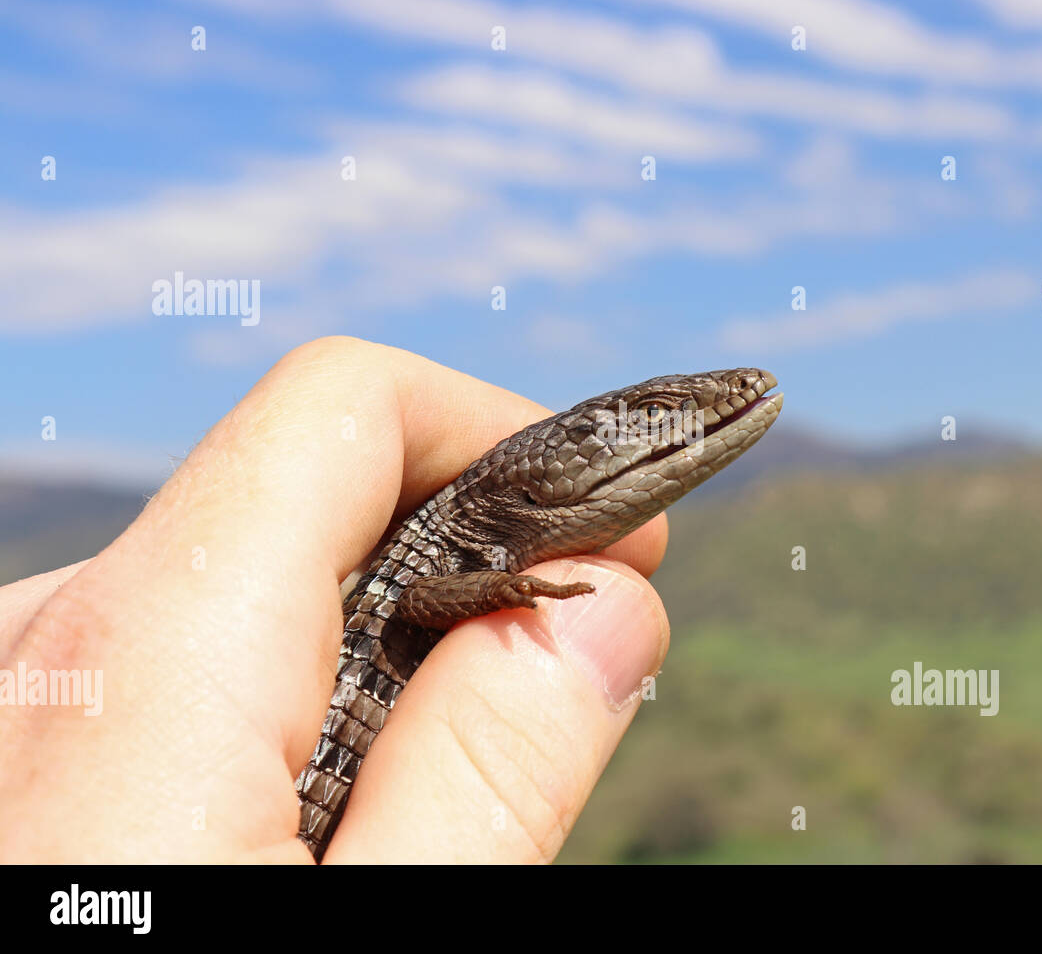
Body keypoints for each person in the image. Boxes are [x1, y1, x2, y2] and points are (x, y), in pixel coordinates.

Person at [0, 337, 670, 863]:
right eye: (651, 418)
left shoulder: (473, 527)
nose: (683, 422)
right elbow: (418, 602)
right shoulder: (462, 540)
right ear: (532, 486)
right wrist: (502, 589)